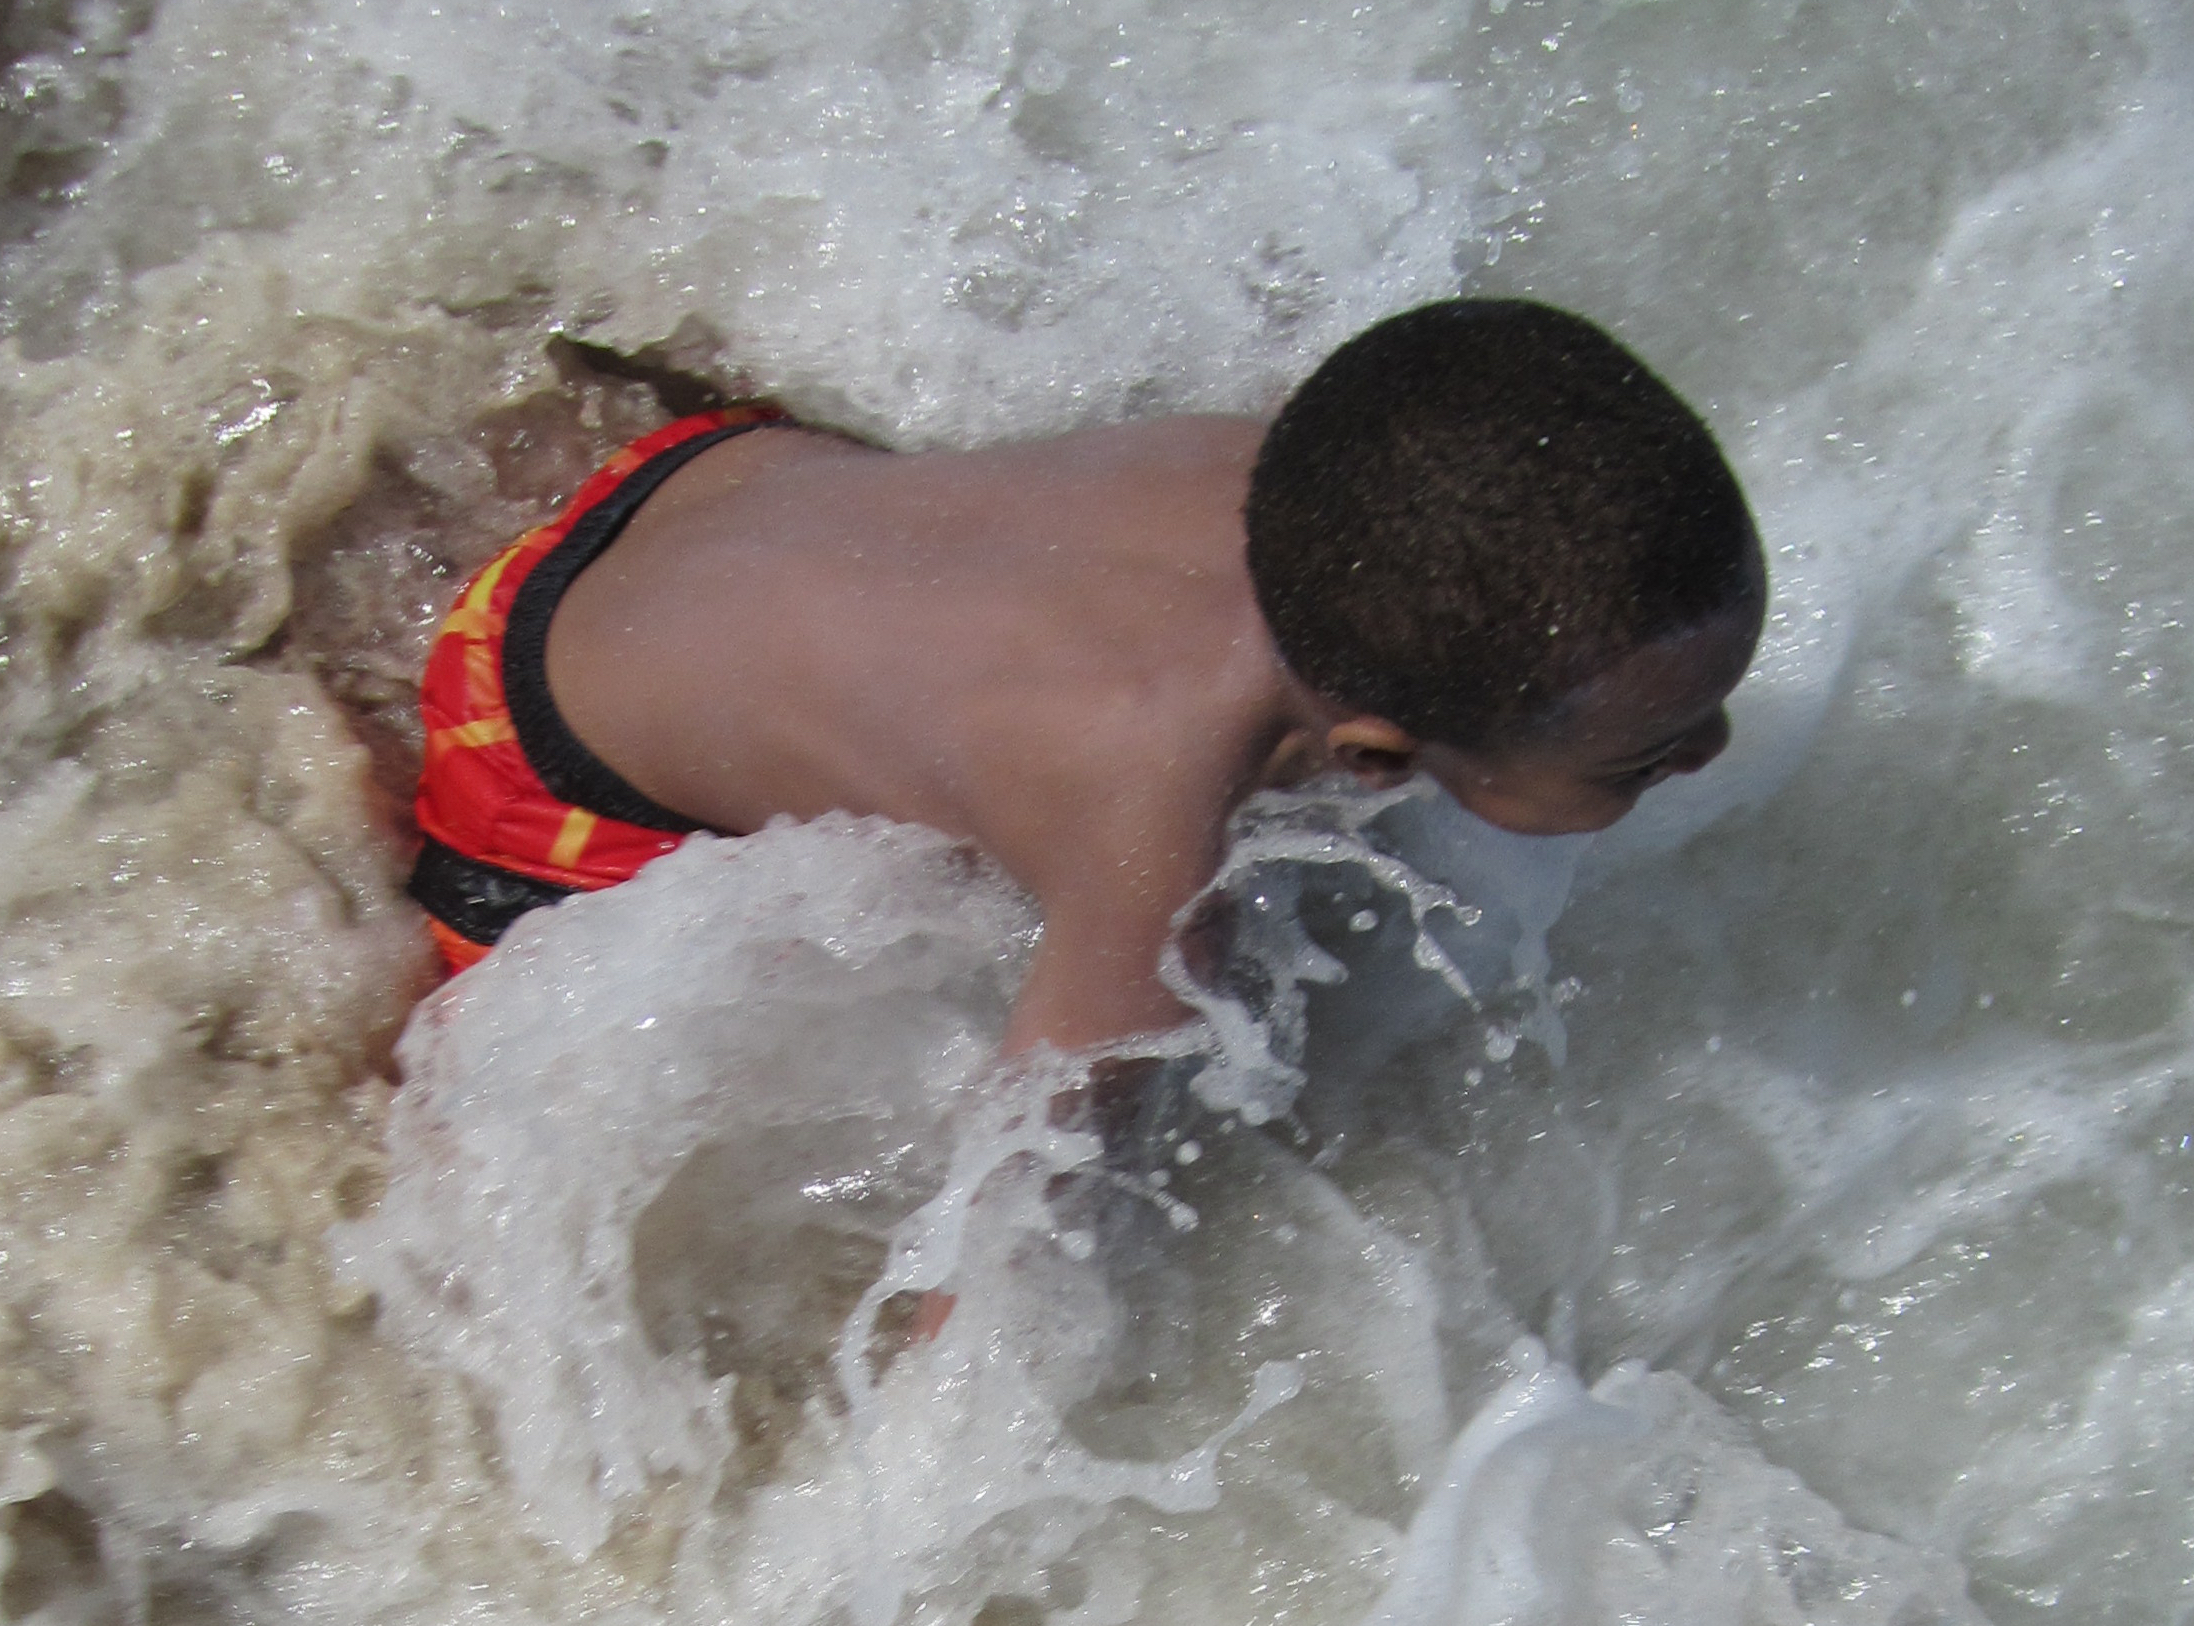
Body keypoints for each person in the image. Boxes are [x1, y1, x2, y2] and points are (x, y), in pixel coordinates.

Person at [400, 297, 1763, 1067]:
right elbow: (1026, 1253)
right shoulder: (1150, 829)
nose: (1716, 746)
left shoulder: (1330, 483)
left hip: (691, 483)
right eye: (1642, 758)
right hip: (537, 772)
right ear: (1368, 754)